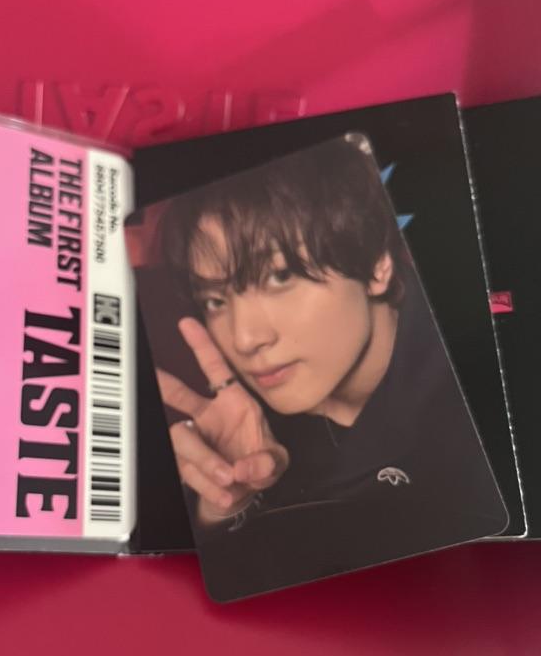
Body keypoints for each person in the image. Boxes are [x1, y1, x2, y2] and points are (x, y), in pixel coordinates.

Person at [153, 135, 506, 547]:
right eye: (214, 300)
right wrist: (223, 504)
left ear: (376, 265)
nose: (245, 339)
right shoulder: (253, 424)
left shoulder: (489, 391)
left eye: (280, 277)